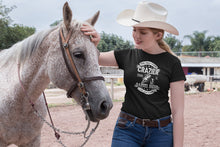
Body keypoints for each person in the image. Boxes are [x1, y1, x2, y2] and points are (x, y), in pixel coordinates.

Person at [81, 1, 186, 147]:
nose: (136, 36)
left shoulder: (173, 63)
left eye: (143, 32)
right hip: (127, 129)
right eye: (134, 29)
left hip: (161, 133)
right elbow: (95, 58)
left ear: (158, 35)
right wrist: (94, 42)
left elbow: (178, 112)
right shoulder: (127, 55)